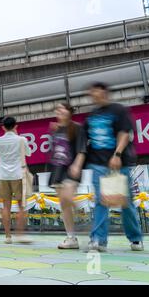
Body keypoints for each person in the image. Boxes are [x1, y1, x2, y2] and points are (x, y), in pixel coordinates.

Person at [83, 82, 143, 252]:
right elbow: (85, 139)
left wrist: (117, 154)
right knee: (101, 202)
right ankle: (98, 240)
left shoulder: (118, 110)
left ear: (104, 92)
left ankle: (135, 238)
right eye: (91, 91)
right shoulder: (91, 116)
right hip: (97, 164)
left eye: (95, 90)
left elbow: (124, 132)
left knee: (126, 203)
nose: (93, 94)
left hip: (119, 163)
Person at [48, 103, 87, 250]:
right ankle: (71, 237)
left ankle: (82, 218)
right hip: (57, 170)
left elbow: (82, 149)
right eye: (56, 110)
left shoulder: (77, 127)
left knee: (68, 198)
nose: (58, 112)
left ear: (69, 111)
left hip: (71, 170)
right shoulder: (56, 130)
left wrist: (77, 165)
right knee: (64, 205)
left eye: (61, 108)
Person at [0, 117, 31, 244]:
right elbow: (28, 153)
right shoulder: (21, 139)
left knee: (5, 207)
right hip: (18, 175)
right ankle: (20, 234)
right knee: (21, 206)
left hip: (2, 175)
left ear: (3, 127)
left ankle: (8, 236)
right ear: (16, 126)